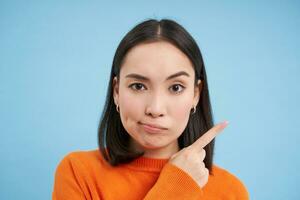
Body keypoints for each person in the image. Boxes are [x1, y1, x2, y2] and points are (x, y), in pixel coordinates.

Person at [52, 18, 249, 200]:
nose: (155, 109)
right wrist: (175, 188)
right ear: (116, 91)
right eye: (138, 86)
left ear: (195, 94)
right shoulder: (78, 173)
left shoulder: (230, 192)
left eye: (176, 87)